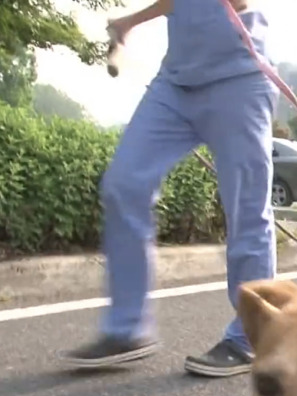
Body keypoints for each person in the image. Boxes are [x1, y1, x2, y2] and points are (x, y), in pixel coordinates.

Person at [60, 0, 279, 377]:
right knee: (123, 184)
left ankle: (250, 337)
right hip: (176, 82)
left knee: (246, 209)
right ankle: (127, 329)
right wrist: (131, 21)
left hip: (240, 77)